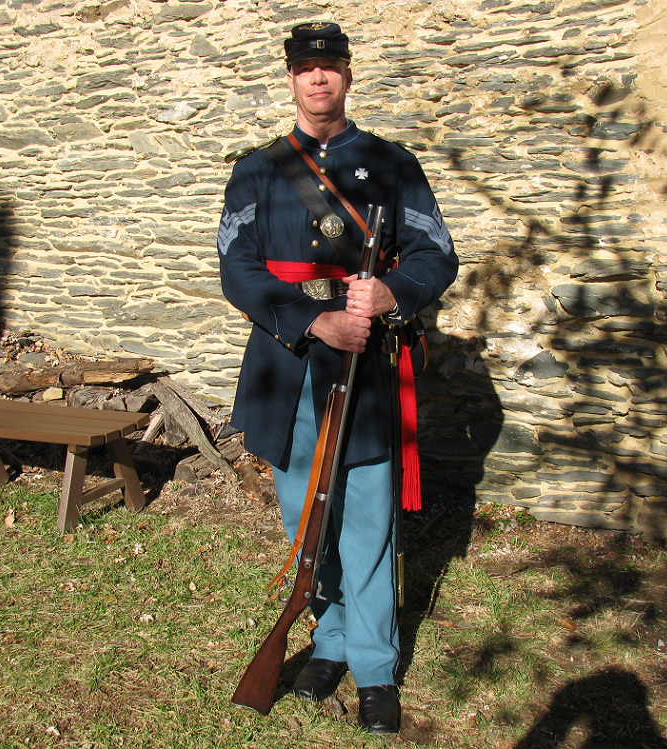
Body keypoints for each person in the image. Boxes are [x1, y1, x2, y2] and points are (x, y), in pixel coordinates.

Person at [217, 22, 458, 734]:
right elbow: (238, 267)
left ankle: (376, 665)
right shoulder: (257, 168)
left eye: (330, 67)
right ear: (290, 79)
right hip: (288, 364)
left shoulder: (390, 162)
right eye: (306, 69)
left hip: (366, 365)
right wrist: (311, 320)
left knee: (367, 518)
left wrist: (390, 294)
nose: (318, 79)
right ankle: (327, 643)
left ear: (347, 75)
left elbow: (435, 252)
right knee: (306, 518)